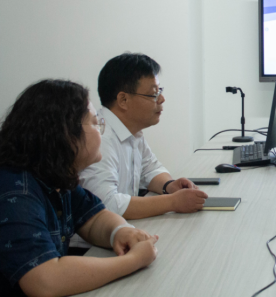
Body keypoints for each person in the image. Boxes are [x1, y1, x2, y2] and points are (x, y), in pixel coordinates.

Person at [0, 80, 159, 297]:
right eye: (95, 123)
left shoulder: (55, 175)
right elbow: (45, 281)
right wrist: (133, 260)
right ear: (65, 133)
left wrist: (120, 232)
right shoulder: (16, 191)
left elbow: (94, 219)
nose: (100, 131)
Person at [79, 53, 208, 220]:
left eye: (159, 91)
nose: (162, 99)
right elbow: (106, 204)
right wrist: (172, 202)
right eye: (153, 93)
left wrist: (169, 185)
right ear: (123, 100)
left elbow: (150, 168)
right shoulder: (101, 138)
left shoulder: (132, 131)